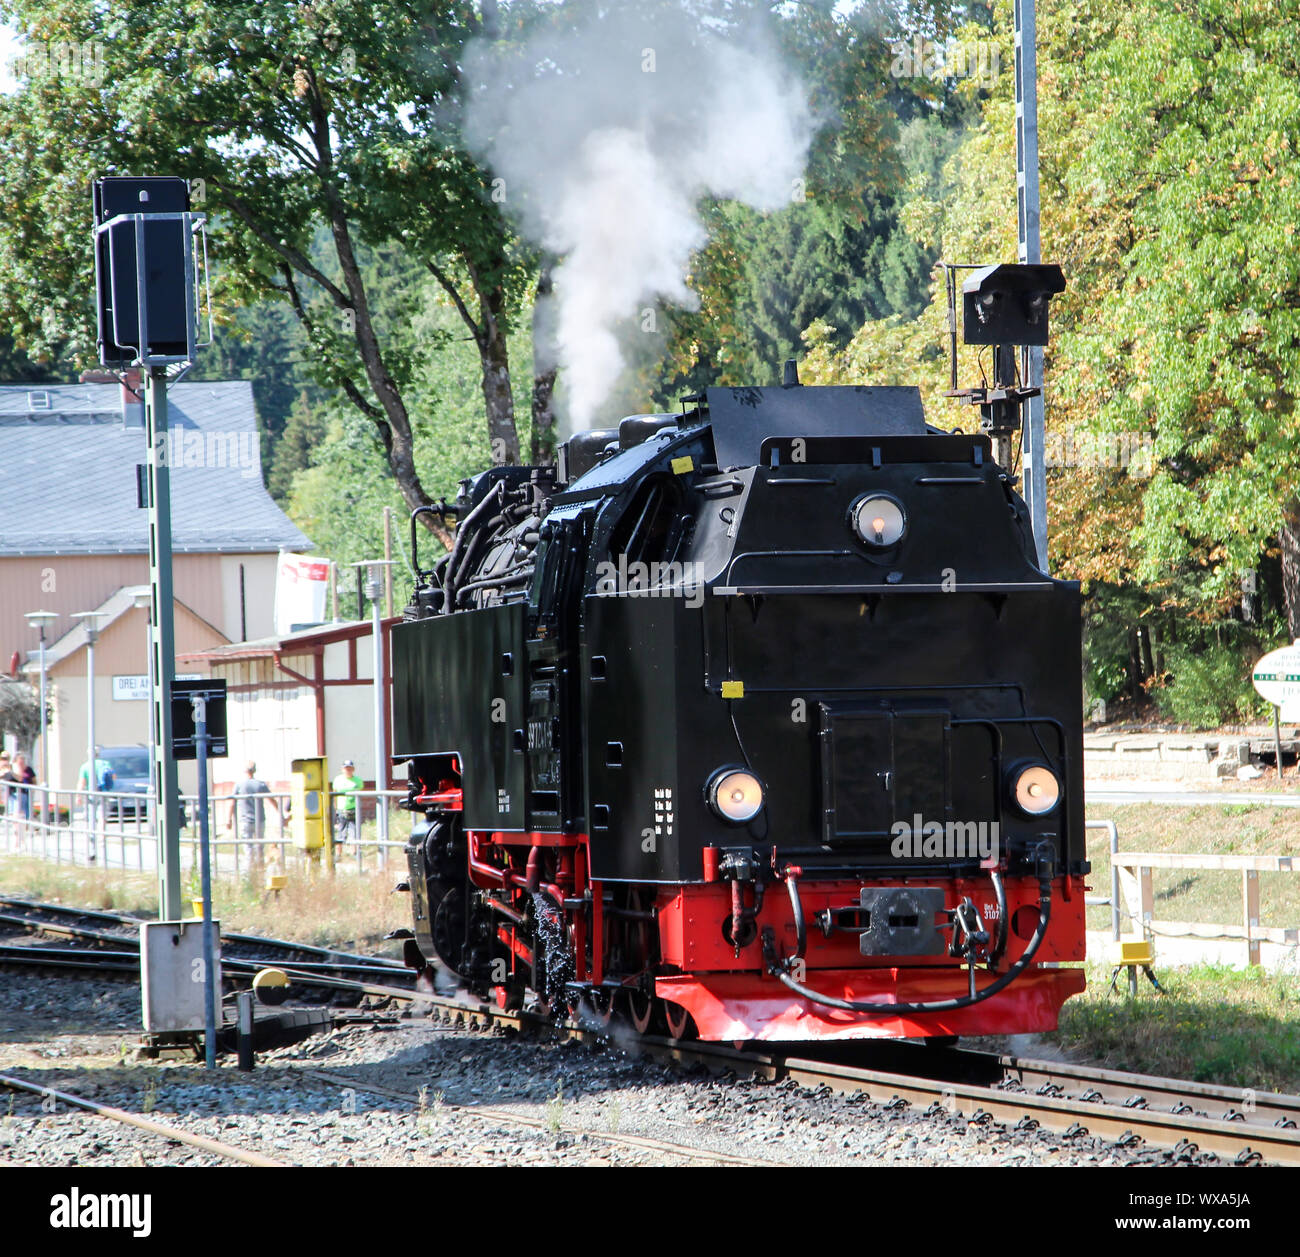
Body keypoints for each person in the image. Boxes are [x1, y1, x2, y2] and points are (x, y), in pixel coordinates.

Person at [226, 761, 281, 869]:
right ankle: (260, 870)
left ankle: (249, 872)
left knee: (248, 848)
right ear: (254, 770)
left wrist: (229, 819)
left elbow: (232, 803)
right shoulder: (260, 784)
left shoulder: (239, 785)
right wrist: (280, 814)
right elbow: (272, 800)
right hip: (259, 820)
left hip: (245, 820)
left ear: (245, 771)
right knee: (259, 847)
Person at [76, 746, 113, 862]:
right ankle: (102, 836)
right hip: (103, 792)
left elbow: (82, 782)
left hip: (90, 793)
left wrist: (78, 795)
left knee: (90, 816)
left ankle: (91, 837)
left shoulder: (85, 766)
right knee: (102, 816)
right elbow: (113, 777)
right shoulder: (105, 763)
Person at [332, 758, 363, 849]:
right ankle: (338, 854)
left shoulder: (358, 780)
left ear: (353, 769)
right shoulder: (338, 780)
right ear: (342, 769)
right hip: (341, 809)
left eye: (350, 768)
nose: (348, 770)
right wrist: (336, 808)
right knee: (341, 832)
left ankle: (354, 852)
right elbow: (334, 794)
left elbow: (360, 793)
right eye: (346, 768)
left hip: (354, 809)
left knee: (354, 831)